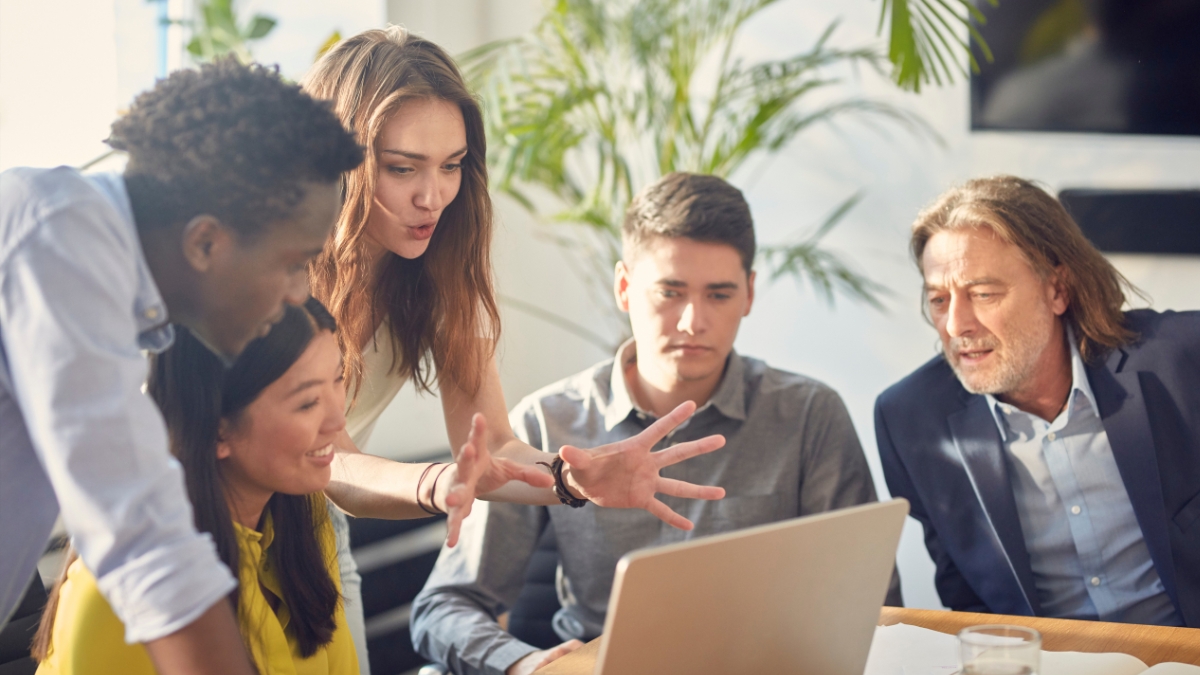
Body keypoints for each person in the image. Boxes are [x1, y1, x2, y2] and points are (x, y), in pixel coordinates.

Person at [300, 28, 729, 671]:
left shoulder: (442, 263)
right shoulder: (281, 269)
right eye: (402, 168)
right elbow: (327, 459)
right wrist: (439, 483)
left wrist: (571, 478)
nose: (432, 196)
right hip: (210, 520)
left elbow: (495, 444)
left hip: (313, 534)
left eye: (451, 165)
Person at [410, 172, 903, 675]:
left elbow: (872, 602)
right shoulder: (547, 421)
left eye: (719, 295)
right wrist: (524, 664)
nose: (692, 322)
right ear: (625, 287)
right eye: (670, 292)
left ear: (749, 294)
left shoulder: (808, 416)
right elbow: (444, 607)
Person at [0, 59, 363, 674]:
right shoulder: (59, 239)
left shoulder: (103, 282)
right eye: (291, 263)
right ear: (204, 243)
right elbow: (144, 539)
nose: (300, 293)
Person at [875, 176, 1200, 627]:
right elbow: (967, 600)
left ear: (1057, 289)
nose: (955, 325)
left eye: (983, 294)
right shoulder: (909, 420)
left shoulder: (1182, 361)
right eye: (939, 299)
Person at [33, 299, 360, 673]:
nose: (338, 421)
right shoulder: (123, 589)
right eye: (307, 403)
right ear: (217, 429)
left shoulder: (302, 514)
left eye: (339, 378)